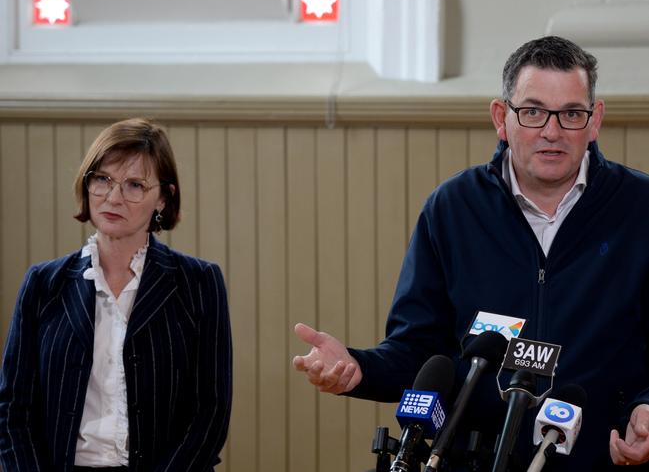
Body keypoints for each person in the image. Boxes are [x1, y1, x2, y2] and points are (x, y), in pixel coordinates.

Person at [293, 36, 649, 470]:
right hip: (472, 458)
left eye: (571, 114)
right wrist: (358, 369)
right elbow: (418, 352)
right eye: (533, 112)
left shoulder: (639, 207)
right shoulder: (453, 209)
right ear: (502, 118)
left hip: (600, 458)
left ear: (595, 121)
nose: (552, 132)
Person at [0, 118, 232, 471]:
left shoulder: (198, 283)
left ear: (163, 199)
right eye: (102, 179)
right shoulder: (43, 284)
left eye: (135, 185)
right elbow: (12, 411)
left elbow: (210, 414)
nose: (113, 197)